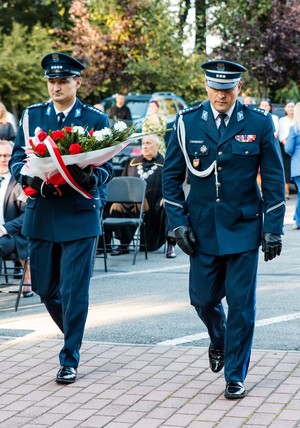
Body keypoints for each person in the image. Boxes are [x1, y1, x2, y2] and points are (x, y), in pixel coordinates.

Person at [162, 59, 285, 400]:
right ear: (205, 87)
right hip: (201, 231)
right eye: (215, 88)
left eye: (228, 88)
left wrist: (273, 228)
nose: (221, 95)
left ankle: (235, 375)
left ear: (238, 89)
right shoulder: (187, 123)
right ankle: (219, 338)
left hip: (244, 228)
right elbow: (170, 179)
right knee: (202, 300)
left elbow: (274, 179)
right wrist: (178, 223)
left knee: (242, 306)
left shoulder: (259, 122)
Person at [9, 52, 114, 384]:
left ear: (77, 82)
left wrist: (90, 179)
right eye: (52, 82)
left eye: (63, 81)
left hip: (79, 213)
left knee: (73, 290)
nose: (56, 87)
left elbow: (108, 166)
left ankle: (70, 356)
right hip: (41, 212)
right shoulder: (32, 116)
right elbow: (16, 158)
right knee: (43, 288)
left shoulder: (95, 119)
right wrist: (26, 178)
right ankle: (73, 330)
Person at [108, 134, 176, 258]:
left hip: (155, 202)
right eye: (143, 143)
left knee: (169, 205)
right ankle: (123, 244)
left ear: (158, 146)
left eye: (149, 143)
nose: (145, 146)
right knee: (117, 206)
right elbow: (124, 182)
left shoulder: (165, 164)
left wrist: (166, 197)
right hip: (134, 202)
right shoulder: (133, 162)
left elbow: (172, 185)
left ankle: (170, 244)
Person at [0, 140, 31, 296]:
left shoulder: (20, 182)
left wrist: (3, 229)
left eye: (7, 155)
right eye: (0, 156)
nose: (3, 159)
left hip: (10, 235)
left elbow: (26, 215)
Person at [285, 102, 300, 230]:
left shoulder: (294, 128)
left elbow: (288, 148)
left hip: (298, 165)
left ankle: (298, 220)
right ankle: (297, 219)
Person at [278, 100, 295, 200]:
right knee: (286, 169)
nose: (291, 108)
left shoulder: (298, 119)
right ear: (285, 109)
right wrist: (288, 147)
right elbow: (281, 135)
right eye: (289, 107)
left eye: (292, 106)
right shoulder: (282, 120)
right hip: (285, 147)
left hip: (297, 148)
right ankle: (286, 192)